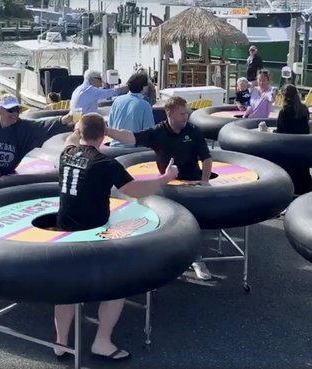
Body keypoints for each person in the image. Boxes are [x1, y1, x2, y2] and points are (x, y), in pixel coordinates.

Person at [52, 113, 178, 362]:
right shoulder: (105, 163)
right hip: (93, 237)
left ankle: (60, 343)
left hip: (64, 234)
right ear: (103, 137)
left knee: (67, 291)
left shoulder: (66, 153)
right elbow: (135, 190)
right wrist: (166, 177)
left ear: (80, 132)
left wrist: (79, 128)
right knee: (115, 287)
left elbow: (70, 138)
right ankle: (102, 342)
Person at [110, 96, 214, 280]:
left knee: (193, 223)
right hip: (168, 185)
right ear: (169, 114)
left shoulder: (193, 131)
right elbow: (131, 137)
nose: (186, 116)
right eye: (181, 114)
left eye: (186, 113)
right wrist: (105, 130)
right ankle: (162, 258)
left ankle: (196, 258)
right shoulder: (158, 132)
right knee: (164, 222)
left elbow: (206, 158)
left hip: (192, 183)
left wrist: (205, 181)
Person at [0, 95, 72, 178]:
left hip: (4, 179)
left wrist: (63, 120)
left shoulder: (24, 128)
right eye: (10, 110)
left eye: (17, 110)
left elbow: (43, 125)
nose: (15, 114)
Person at [275, 85, 312, 195]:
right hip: (303, 148)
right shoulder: (304, 109)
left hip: (288, 149)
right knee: (303, 173)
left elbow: (280, 132)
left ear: (284, 96)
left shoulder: (284, 111)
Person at [108, 72, 155, 147]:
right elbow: (149, 133)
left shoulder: (117, 101)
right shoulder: (145, 105)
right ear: (144, 87)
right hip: (134, 149)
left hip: (114, 146)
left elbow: (110, 124)